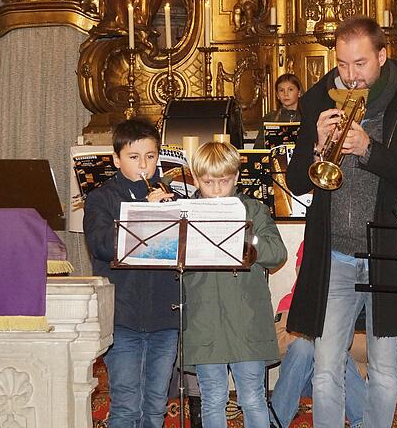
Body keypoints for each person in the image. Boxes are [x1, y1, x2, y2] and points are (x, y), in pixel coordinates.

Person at [284, 15, 397, 428]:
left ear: (382, 56)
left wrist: (370, 150)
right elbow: (298, 181)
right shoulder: (319, 99)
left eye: (360, 64)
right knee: (324, 367)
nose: (350, 77)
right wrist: (316, 144)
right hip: (334, 253)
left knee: (385, 369)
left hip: (387, 251)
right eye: (342, 64)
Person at [182, 141, 287, 428]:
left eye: (224, 181)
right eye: (207, 182)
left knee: (252, 396)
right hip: (204, 320)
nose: (216, 189)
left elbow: (278, 254)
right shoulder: (186, 214)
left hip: (246, 319)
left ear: (236, 178)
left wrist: (246, 236)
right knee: (213, 397)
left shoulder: (253, 209)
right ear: (195, 178)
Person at [83, 118, 178, 428]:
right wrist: (147, 215)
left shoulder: (170, 195)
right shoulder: (102, 198)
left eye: (150, 157)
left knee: (154, 408)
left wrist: (171, 211)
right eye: (134, 157)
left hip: (165, 316)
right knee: (125, 406)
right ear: (116, 159)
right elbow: (101, 245)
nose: (144, 166)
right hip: (123, 317)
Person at [270, 242, 368, 428]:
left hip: (341, 381)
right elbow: (277, 347)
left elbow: (366, 350)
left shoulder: (352, 304)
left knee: (333, 349)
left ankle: (364, 421)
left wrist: (331, 340)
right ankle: (275, 422)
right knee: (303, 346)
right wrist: (313, 337)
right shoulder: (290, 303)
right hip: (302, 381)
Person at [255, 73, 303, 148]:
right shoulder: (269, 118)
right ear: (277, 95)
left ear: (299, 93)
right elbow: (259, 148)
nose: (285, 94)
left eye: (290, 89)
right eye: (281, 90)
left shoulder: (308, 117)